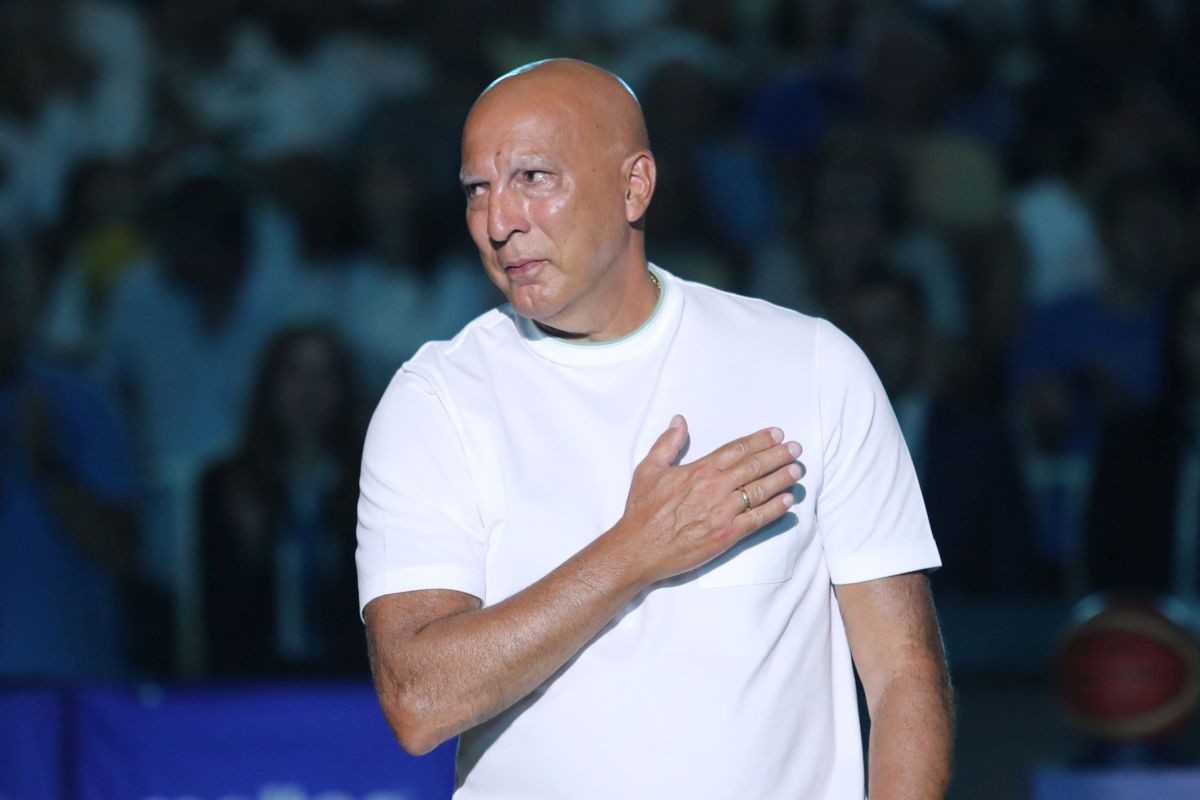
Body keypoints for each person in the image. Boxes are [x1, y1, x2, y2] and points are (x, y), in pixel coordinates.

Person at [356, 59, 953, 800]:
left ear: (634, 185)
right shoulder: (435, 400)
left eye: (533, 178)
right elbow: (418, 701)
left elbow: (903, 673)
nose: (498, 222)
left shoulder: (810, 364)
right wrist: (635, 552)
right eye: (477, 188)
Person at [199, 326, 366, 677]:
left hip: (349, 681)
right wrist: (251, 549)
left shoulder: (373, 484)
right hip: (254, 681)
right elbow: (217, 612)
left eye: (324, 376)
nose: (309, 391)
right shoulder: (227, 484)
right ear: (269, 386)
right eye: (294, 373)